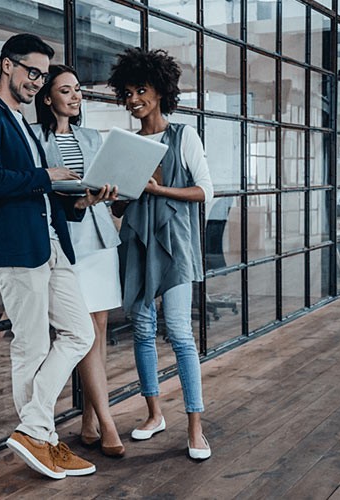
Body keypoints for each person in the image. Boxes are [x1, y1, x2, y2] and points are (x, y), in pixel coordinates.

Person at [0, 33, 117, 480]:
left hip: (51, 240)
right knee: (32, 345)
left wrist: (82, 201)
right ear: (6, 65)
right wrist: (45, 174)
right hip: (15, 247)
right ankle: (43, 439)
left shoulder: (22, 123)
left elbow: (40, 192)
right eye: (33, 72)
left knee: (78, 332)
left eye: (43, 75)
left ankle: (34, 429)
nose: (38, 81)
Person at [107, 47, 214, 461]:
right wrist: (115, 196)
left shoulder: (184, 136)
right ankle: (154, 414)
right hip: (137, 244)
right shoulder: (128, 145)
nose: (134, 99)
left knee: (181, 335)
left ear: (161, 91)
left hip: (176, 245)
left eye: (142, 90)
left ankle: (195, 426)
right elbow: (120, 207)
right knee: (141, 331)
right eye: (128, 92)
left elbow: (205, 191)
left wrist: (157, 189)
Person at [33, 65, 125, 458]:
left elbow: (105, 180)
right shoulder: (36, 137)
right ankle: (107, 422)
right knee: (82, 331)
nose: (75, 97)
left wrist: (110, 191)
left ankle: (89, 418)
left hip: (101, 236)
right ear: (47, 98)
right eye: (65, 90)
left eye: (77, 90)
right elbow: (42, 189)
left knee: (99, 331)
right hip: (67, 239)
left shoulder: (90, 136)